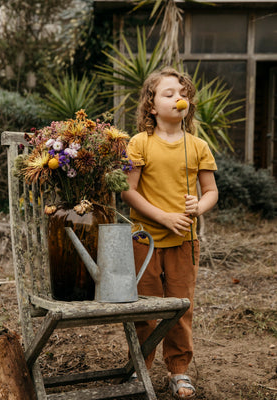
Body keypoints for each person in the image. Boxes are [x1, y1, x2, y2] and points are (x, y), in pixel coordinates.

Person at [121, 66, 218, 399]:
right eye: (169, 94)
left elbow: (211, 191)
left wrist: (199, 208)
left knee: (180, 308)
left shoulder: (199, 146)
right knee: (144, 310)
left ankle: (178, 371)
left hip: (184, 242)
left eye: (183, 94)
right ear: (151, 105)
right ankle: (141, 369)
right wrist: (163, 216)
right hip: (143, 241)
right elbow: (128, 192)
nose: (179, 99)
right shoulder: (139, 143)